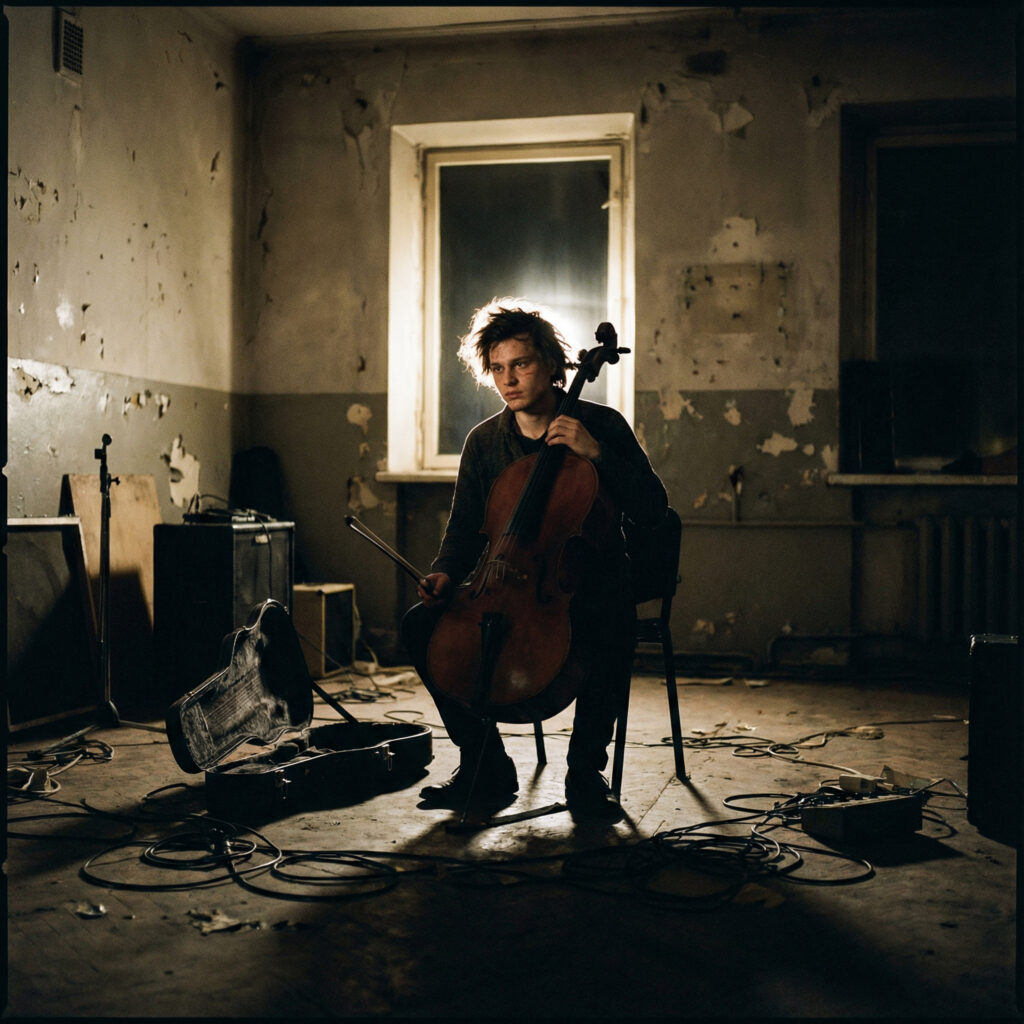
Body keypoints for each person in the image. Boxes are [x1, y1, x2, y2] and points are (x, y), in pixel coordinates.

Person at [402, 298, 667, 820]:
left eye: (520, 364)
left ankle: (585, 773)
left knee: (610, 623)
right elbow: (464, 530)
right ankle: (484, 762)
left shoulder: (602, 425)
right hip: (506, 583)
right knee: (420, 627)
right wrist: (445, 572)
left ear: (550, 363)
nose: (509, 379)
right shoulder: (484, 442)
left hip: (589, 583)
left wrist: (596, 454)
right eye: (497, 368)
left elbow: (653, 509)